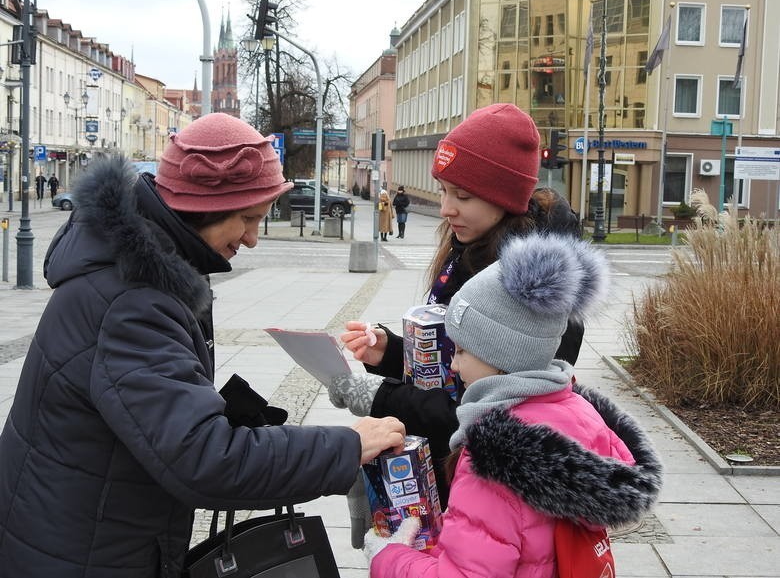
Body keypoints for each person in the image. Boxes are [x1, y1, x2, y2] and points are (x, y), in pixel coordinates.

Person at [0, 113, 405, 577]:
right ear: (201, 209)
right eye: (248, 219)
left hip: (83, 526)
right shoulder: (132, 302)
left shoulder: (140, 271)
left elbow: (155, 416)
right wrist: (346, 448)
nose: (252, 239)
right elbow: (203, 459)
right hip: (84, 551)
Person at [328, 104, 583, 545]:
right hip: (443, 474)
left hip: (484, 490)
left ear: (504, 197)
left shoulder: (531, 296)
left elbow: (486, 413)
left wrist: (383, 397)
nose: (446, 208)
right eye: (444, 190)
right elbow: (448, 361)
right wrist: (389, 351)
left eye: (462, 196)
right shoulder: (471, 249)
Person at [363, 233, 663, 577]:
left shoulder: (494, 461)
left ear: (500, 352)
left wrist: (389, 558)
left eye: (460, 351)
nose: (454, 366)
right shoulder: (579, 415)